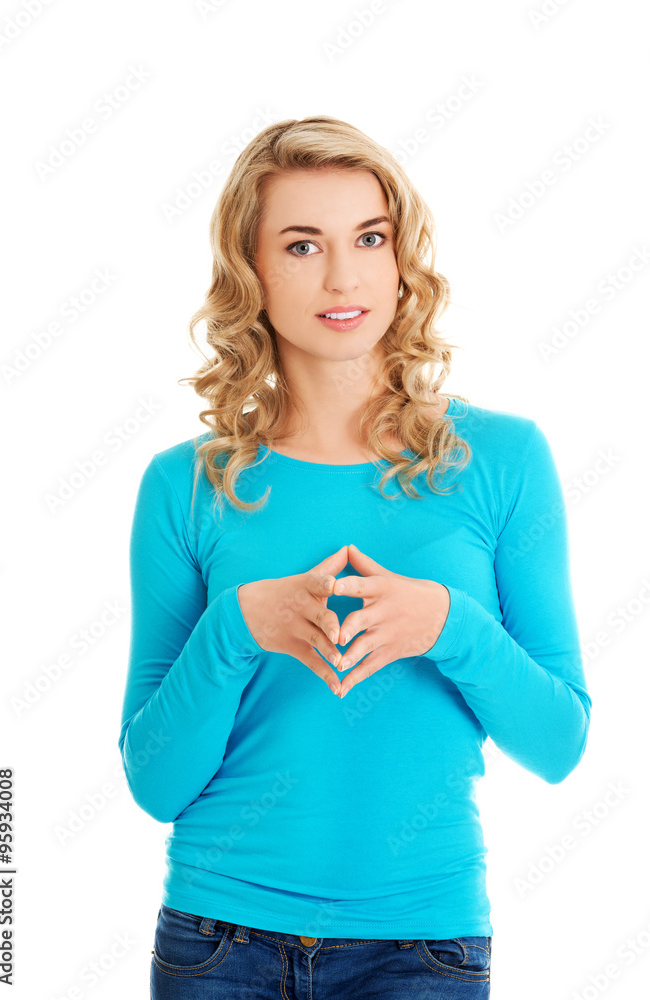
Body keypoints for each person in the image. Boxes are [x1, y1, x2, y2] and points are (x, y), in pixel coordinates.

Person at [117, 115, 592, 999]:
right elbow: (155, 783)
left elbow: (559, 742)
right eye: (302, 245)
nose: (343, 277)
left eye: (368, 238)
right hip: (218, 944)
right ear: (251, 272)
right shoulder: (185, 484)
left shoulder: (502, 460)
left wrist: (448, 625)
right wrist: (237, 627)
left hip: (422, 948)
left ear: (400, 257)